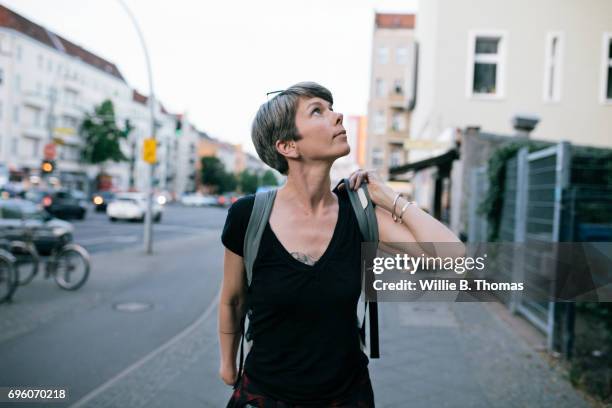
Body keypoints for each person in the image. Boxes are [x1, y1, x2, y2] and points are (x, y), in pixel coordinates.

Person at [218, 82, 464, 407]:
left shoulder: (358, 213)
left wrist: (390, 198)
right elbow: (233, 300)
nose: (338, 116)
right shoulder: (248, 216)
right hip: (265, 395)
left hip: (346, 397)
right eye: (318, 111)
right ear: (288, 146)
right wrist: (227, 362)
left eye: (331, 107)